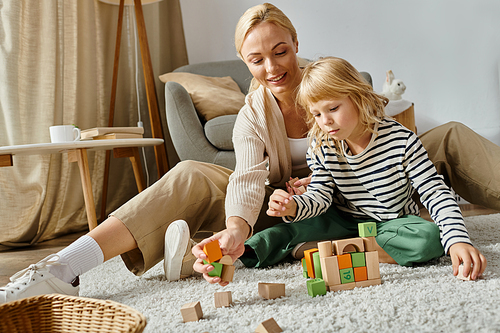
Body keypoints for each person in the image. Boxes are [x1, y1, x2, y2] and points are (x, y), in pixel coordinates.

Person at [0, 3, 497, 303]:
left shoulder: (332, 84)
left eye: (281, 51)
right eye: (256, 60)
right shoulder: (252, 115)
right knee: (191, 173)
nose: (273, 67)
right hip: (287, 208)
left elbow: (380, 131)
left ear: (295, 43)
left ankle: (209, 245)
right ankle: (63, 267)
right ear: (244, 61)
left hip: (365, 191)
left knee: (449, 133)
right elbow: (245, 179)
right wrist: (239, 227)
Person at [261, 56, 486, 280]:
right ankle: (338, 247)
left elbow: (434, 192)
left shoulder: (402, 142)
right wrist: (292, 207)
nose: (325, 121)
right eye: (317, 114)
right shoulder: (322, 145)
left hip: (392, 225)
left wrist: (458, 240)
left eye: (333, 108)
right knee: (268, 239)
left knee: (429, 238)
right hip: (345, 222)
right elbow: (319, 197)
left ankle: (330, 250)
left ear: (359, 98)